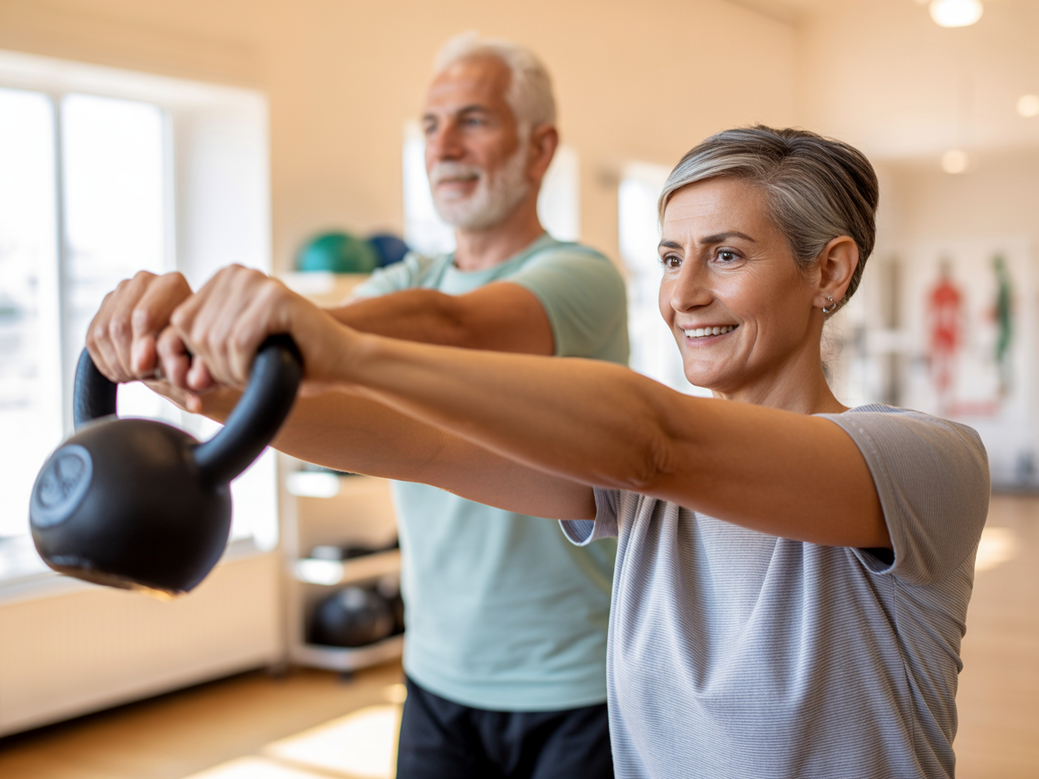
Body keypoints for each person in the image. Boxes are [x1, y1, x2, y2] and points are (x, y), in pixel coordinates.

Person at [88, 125, 990, 778]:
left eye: (725, 255)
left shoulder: (921, 462)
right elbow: (424, 446)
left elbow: (656, 439)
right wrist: (203, 384)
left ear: (828, 272)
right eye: (671, 256)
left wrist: (345, 346)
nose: (683, 294)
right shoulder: (637, 491)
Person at [86, 34, 626, 779]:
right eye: (430, 125)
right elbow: (311, 370)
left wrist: (251, 328)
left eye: (472, 120)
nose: (444, 146)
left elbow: (453, 324)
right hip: (438, 678)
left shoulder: (580, 275)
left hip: (578, 684)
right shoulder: (403, 277)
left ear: (540, 148)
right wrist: (193, 371)